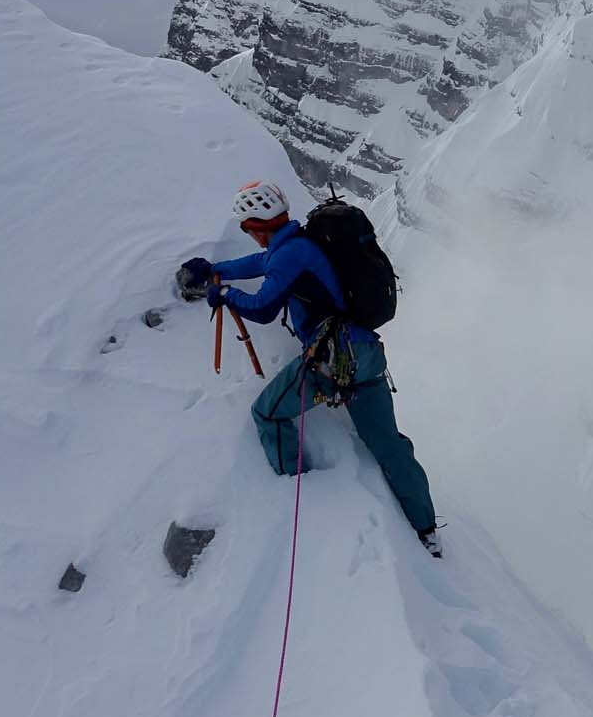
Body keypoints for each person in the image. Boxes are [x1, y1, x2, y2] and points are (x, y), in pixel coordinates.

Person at [186, 181, 441, 556]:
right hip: (365, 354)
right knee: (389, 445)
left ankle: (302, 496)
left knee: (269, 414)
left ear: (257, 225)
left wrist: (223, 294)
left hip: (333, 358)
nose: (248, 234)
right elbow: (259, 264)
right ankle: (427, 531)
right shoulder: (300, 245)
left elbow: (262, 307)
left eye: (246, 226)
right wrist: (214, 270)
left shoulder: (289, 255)